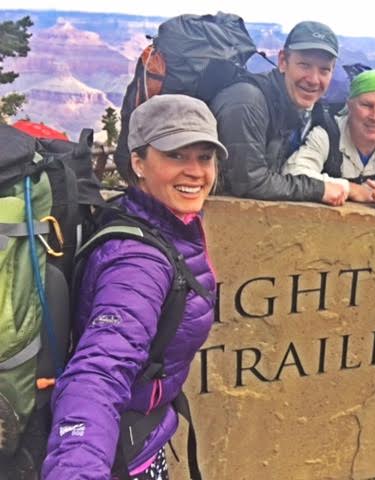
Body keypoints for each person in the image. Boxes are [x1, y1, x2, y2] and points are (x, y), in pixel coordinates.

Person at [41, 94, 224, 479]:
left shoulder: (162, 222)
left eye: (204, 156)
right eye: (176, 155)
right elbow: (99, 371)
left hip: (142, 438)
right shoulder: (137, 263)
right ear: (138, 162)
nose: (195, 171)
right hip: (123, 460)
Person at [211, 20, 347, 206]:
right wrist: (319, 189)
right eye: (304, 65)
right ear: (283, 61)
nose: (314, 80)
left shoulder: (289, 104)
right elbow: (250, 182)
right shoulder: (248, 102)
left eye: (324, 70)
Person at [283, 69, 375, 210]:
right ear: (350, 106)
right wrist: (350, 189)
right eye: (366, 105)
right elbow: (293, 171)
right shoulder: (328, 134)